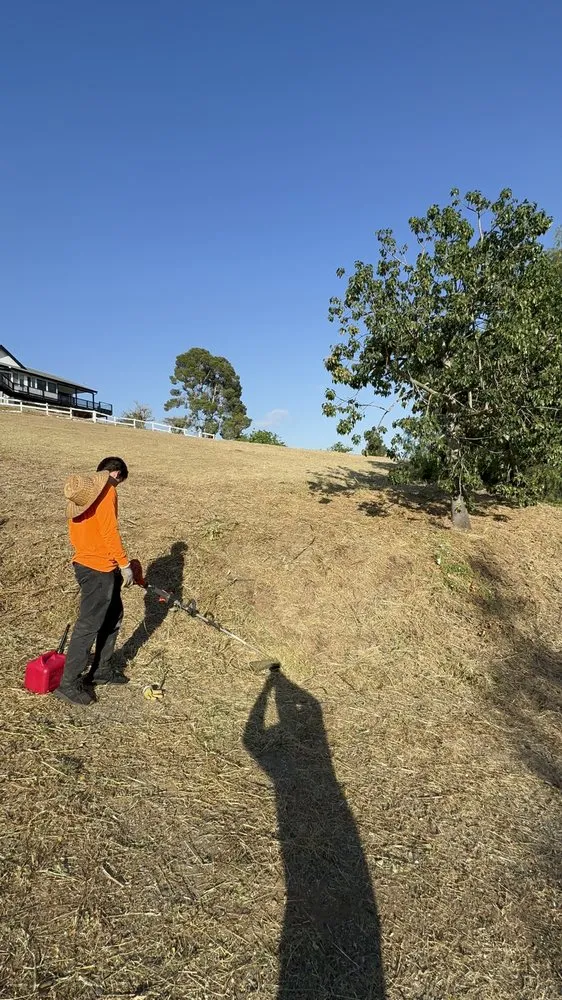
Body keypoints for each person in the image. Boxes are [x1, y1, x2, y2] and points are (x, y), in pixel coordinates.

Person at [56, 456, 134, 705]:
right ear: (116, 474)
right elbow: (110, 531)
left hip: (90, 564)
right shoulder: (107, 491)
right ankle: (68, 683)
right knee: (89, 625)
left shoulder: (84, 496)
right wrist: (124, 564)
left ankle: (100, 671)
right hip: (98, 568)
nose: (117, 485)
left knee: (113, 616)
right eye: (119, 481)